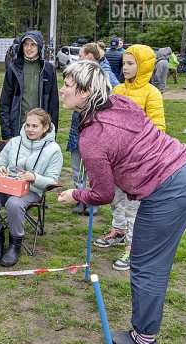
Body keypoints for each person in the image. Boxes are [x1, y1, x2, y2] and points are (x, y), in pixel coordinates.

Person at [57, 60, 186, 344]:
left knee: (147, 266)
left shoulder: (92, 138)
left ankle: (143, 338)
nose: (62, 90)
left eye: (67, 85)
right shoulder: (121, 101)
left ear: (84, 92)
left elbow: (103, 193)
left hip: (168, 190)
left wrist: (76, 195)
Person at [96, 44, 166, 271]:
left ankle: (132, 247)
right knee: (115, 198)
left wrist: (140, 153)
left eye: (130, 63)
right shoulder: (117, 91)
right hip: (115, 160)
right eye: (123, 63)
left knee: (133, 206)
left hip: (137, 162)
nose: (124, 68)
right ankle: (118, 231)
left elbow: (158, 129)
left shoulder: (152, 94)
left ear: (143, 65)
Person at [0, 108, 62, 267]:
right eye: (27, 125)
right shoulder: (14, 142)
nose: (30, 130)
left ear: (45, 127)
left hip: (32, 190)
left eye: (34, 126)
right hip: (7, 185)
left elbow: (52, 180)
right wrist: (0, 170)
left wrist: (35, 178)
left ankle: (15, 244)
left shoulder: (54, 150)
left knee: (14, 203)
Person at [67, 42, 119, 216]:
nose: (78, 59)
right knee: (77, 168)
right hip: (78, 130)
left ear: (89, 57)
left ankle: (93, 202)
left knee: (93, 170)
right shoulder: (80, 75)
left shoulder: (106, 76)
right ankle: (80, 199)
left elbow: (115, 99)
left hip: (96, 131)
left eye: (80, 56)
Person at [0, 30, 59, 140]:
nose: (29, 48)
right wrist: (6, 133)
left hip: (41, 128)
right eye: (26, 44)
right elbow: (4, 104)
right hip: (18, 127)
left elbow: (54, 105)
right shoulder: (13, 69)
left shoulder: (48, 69)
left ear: (39, 46)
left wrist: (52, 133)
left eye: (33, 44)